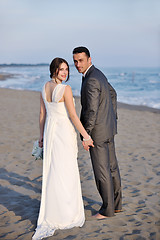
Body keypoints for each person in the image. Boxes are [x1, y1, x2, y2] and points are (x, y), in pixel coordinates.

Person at [32, 57, 94, 240]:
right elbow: (73, 116)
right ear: (54, 70)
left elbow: (42, 115)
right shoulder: (65, 89)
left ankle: (54, 212)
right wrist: (86, 136)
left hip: (51, 132)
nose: (65, 72)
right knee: (65, 172)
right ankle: (66, 214)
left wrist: (42, 136)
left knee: (54, 171)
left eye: (66, 69)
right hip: (63, 133)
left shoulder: (44, 87)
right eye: (61, 69)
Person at [72, 46, 122, 219]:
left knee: (102, 172)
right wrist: (111, 117)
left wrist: (86, 135)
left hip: (98, 134)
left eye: (81, 61)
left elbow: (91, 111)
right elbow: (113, 94)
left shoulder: (91, 79)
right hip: (108, 129)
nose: (78, 64)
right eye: (75, 61)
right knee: (112, 168)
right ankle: (116, 206)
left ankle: (107, 211)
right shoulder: (99, 74)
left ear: (89, 59)